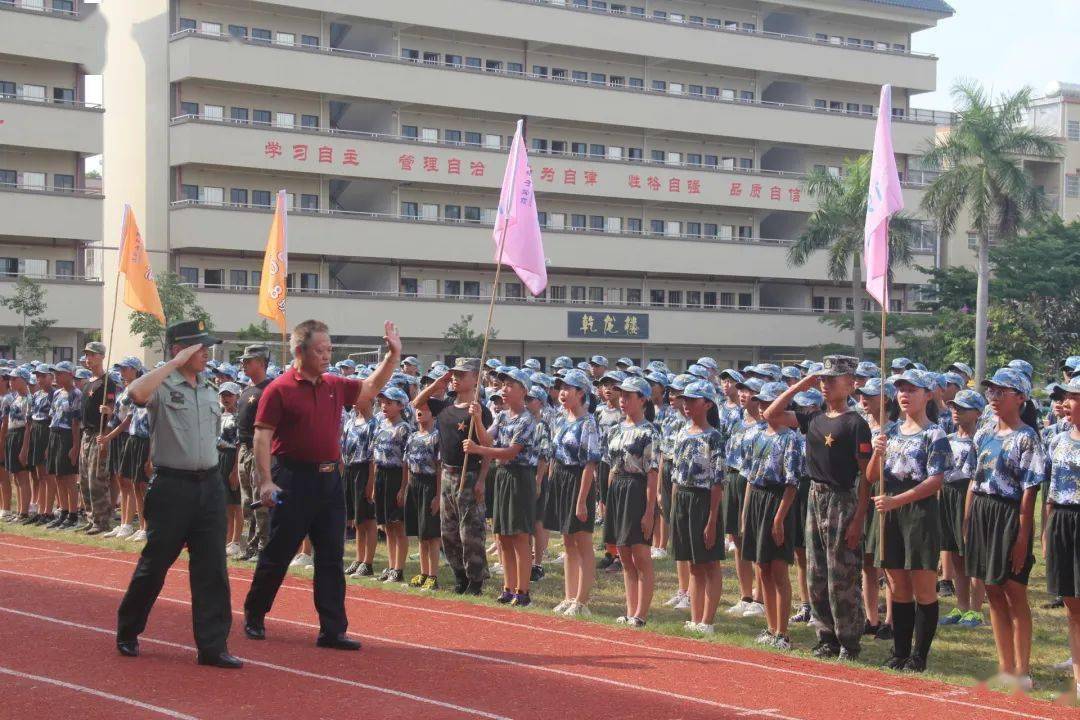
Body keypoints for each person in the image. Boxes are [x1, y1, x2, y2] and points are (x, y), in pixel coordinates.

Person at [244, 319, 401, 650]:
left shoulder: (334, 384)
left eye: (330, 349)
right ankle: (255, 614)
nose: (327, 355)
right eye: (320, 349)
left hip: (330, 481)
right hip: (292, 479)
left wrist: (393, 355)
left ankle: (333, 629)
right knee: (279, 551)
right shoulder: (279, 389)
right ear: (300, 351)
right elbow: (262, 436)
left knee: (330, 556)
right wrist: (266, 481)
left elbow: (370, 389)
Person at [115, 320, 240, 668]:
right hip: (173, 487)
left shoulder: (208, 388)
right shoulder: (161, 383)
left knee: (213, 568)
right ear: (178, 349)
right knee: (155, 565)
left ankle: (213, 647)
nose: (205, 353)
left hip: (209, 486)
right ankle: (128, 629)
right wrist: (169, 364)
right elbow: (135, 395)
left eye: (206, 347)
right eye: (198, 347)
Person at [765, 355, 871, 661]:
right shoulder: (813, 418)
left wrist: (858, 519)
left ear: (850, 384)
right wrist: (801, 384)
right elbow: (772, 414)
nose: (824, 384)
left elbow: (866, 476)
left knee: (843, 573)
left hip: (842, 499)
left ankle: (849, 641)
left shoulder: (856, 424)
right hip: (815, 496)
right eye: (821, 379)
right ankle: (826, 636)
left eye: (830, 379)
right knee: (816, 573)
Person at [868, 369, 952, 673]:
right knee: (897, 585)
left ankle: (919, 655)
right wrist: (878, 454)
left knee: (923, 587)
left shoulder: (935, 434)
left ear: (927, 395)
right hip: (890, 511)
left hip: (918, 513)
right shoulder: (888, 432)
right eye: (901, 389)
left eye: (912, 389)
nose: (904, 395)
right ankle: (900, 652)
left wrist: (897, 501)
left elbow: (936, 481)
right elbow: (870, 477)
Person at [965, 367, 1044, 691]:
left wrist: (1023, 538)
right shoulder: (983, 433)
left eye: (1002, 392)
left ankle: (1022, 670)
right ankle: (1005, 666)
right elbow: (973, 479)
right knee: (992, 590)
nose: (994, 397)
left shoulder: (1028, 437)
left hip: (1009, 514)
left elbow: (1030, 492)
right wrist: (967, 522)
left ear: (1021, 398)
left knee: (1014, 590)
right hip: (982, 511)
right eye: (992, 392)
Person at [411, 358, 493, 596]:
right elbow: (417, 402)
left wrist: (481, 480)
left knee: (471, 531)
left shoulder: (479, 409)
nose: (455, 378)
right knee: (448, 531)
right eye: (454, 374)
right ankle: (459, 576)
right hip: (447, 472)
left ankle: (475, 579)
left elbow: (487, 446)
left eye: (461, 375)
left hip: (470, 473)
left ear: (475, 378)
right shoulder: (445, 404)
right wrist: (438, 383)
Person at [465, 367, 539, 606]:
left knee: (519, 535)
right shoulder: (502, 415)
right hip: (503, 477)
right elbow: (486, 439)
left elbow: (510, 452)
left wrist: (479, 450)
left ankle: (523, 590)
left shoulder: (527, 420)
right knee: (502, 535)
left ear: (523, 390)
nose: (503, 390)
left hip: (520, 477)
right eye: (502, 385)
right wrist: (477, 419)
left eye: (510, 386)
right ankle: (508, 587)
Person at [742, 381, 801, 650]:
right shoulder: (755, 435)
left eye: (769, 403)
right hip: (757, 499)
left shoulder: (790, 438)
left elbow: (792, 483)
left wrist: (779, 518)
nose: (764, 407)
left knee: (778, 568)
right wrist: (745, 513)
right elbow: (750, 478)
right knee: (761, 567)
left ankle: (782, 632)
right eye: (761, 403)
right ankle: (769, 626)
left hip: (778, 500)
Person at [669, 380, 725, 634]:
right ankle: (695, 618)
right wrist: (673, 507)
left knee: (709, 562)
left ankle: (708, 621)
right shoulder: (681, 432)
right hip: (683, 499)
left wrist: (712, 520)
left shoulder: (714, 437)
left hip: (704, 500)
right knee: (693, 562)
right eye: (686, 400)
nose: (687, 404)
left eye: (693, 400)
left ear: (708, 404)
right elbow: (675, 475)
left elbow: (717, 481)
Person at [605, 376, 660, 628]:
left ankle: (641, 614)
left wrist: (649, 512)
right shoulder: (616, 429)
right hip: (618, 490)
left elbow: (652, 474)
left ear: (643, 399)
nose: (623, 400)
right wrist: (606, 499)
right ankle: (630, 611)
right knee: (624, 554)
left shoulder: (650, 432)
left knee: (640, 554)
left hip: (637, 490)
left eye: (629, 395)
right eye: (622, 395)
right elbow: (611, 468)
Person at [544, 369, 601, 616]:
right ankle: (569, 596)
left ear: (581, 393)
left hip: (579, 480)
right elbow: (554, 454)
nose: (562, 393)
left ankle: (582, 600)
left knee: (582, 542)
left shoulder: (588, 423)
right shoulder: (560, 417)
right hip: (560, 478)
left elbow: (590, 463)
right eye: (561, 388)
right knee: (567, 541)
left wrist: (581, 500)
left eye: (568, 388)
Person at [1044, 376, 1080, 698]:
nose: (1066, 403)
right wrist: (1047, 529)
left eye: (1073, 397)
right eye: (1066, 397)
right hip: (1063, 521)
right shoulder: (1056, 439)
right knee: (1071, 603)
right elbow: (1051, 491)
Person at [939, 389, 987, 629]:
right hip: (948, 495)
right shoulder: (947, 439)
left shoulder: (982, 440)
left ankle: (976, 610)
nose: (956, 411)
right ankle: (962, 605)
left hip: (969, 494)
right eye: (954, 407)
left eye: (963, 408)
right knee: (955, 552)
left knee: (974, 553)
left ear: (978, 412)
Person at [725, 375, 767, 618]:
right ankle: (745, 594)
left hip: (752, 482)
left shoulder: (764, 426)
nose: (742, 394)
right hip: (733, 479)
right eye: (741, 390)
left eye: (749, 391)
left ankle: (760, 596)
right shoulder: (737, 421)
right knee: (737, 539)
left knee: (753, 539)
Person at [371, 385, 412, 583]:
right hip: (382, 475)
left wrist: (404, 487)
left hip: (397, 475)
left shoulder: (404, 428)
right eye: (382, 402)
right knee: (387, 525)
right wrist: (373, 484)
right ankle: (390, 566)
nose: (384, 406)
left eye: (389, 403)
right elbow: (375, 455)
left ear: (400, 405)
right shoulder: (381, 425)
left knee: (398, 525)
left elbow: (406, 461)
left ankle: (399, 568)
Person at [235, 344, 272, 561]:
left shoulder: (270, 389)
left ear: (261, 362)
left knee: (261, 503)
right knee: (247, 503)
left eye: (248, 361)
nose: (244, 364)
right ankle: (251, 545)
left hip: (261, 452)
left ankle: (264, 547)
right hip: (244, 450)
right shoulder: (247, 390)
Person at [77, 341, 116, 534]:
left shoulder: (107, 381)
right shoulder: (88, 383)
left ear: (101, 356)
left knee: (96, 479)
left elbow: (112, 409)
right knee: (84, 478)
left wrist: (105, 434)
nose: (88, 358)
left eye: (92, 355)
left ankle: (102, 520)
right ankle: (91, 517)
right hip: (86, 434)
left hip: (98, 433)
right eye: (86, 355)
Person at [403, 399, 441, 590]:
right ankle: (423, 572)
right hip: (415, 483)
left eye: (425, 409)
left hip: (430, 484)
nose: (420, 412)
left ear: (433, 414)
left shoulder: (436, 436)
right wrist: (405, 487)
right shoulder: (412, 436)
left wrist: (438, 495)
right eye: (418, 409)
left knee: (432, 533)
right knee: (420, 532)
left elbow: (440, 467)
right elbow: (407, 463)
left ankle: (433, 575)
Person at [342, 397, 376, 577]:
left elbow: (373, 457)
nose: (354, 402)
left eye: (359, 399)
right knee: (357, 519)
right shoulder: (350, 421)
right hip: (349, 470)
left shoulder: (373, 424)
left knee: (368, 519)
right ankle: (358, 557)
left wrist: (370, 482)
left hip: (364, 470)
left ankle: (368, 562)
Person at [45, 362, 81, 529]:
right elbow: (53, 417)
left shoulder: (76, 394)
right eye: (56, 374)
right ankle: (63, 511)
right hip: (55, 434)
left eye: (60, 373)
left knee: (69, 477)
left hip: (68, 436)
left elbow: (75, 422)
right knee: (57, 475)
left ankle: (73, 514)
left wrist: (75, 446)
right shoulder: (58, 393)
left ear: (70, 375)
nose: (56, 377)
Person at [3, 368, 33, 522]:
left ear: (23, 380)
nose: (11, 382)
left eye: (14, 379)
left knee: (22, 476)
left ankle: (24, 512)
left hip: (21, 435)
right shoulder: (15, 398)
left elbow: (29, 425)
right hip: (12, 435)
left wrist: (25, 448)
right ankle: (20, 510)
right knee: (15, 476)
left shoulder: (29, 399)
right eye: (10, 379)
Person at [217, 382, 243, 558]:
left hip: (233, 456)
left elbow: (240, 444)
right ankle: (226, 539)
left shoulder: (239, 417)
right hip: (219, 456)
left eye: (230, 395)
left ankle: (236, 540)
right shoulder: (219, 415)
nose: (226, 399)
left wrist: (235, 469)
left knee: (236, 502)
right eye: (223, 395)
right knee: (225, 502)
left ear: (237, 397)